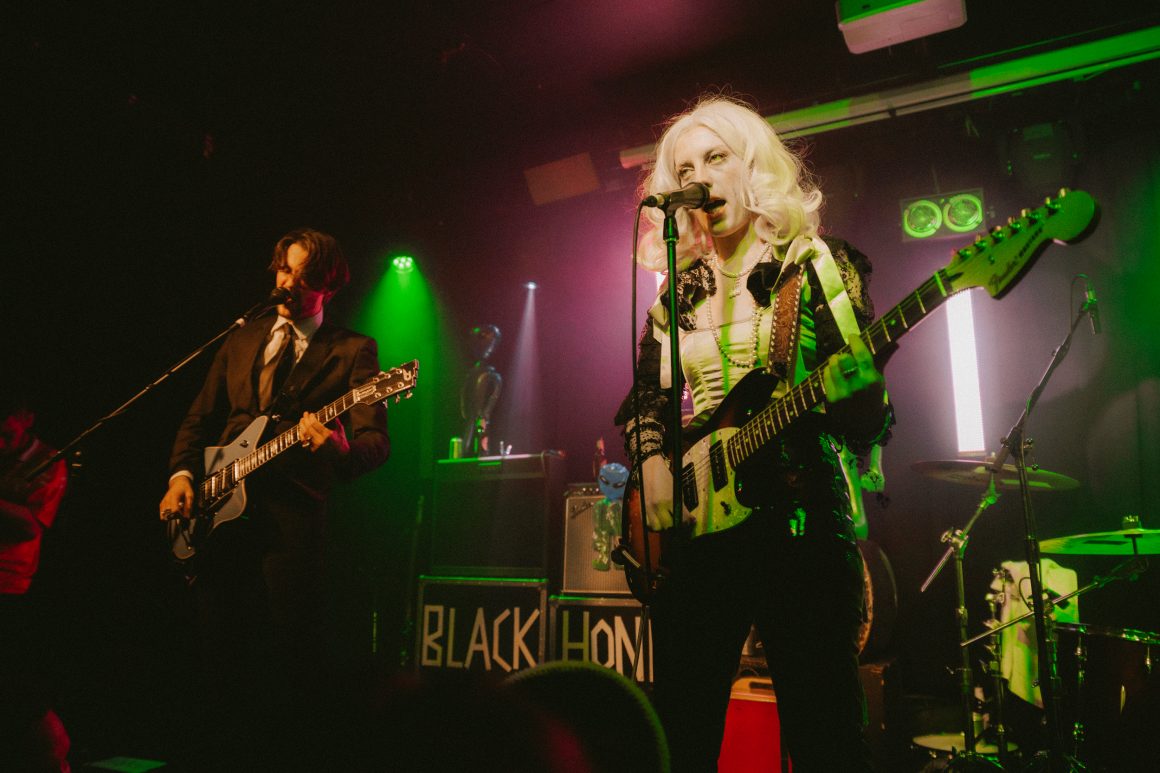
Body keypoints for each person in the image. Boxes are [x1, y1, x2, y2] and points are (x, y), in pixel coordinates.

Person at [614, 96, 893, 771]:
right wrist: (652, 460)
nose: (700, 178)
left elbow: (865, 422)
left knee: (825, 734)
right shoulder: (678, 292)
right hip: (702, 528)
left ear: (754, 166)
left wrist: (860, 392)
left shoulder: (815, 265)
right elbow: (646, 398)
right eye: (685, 169)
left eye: (716, 158)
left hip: (799, 518)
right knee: (680, 730)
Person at [157, 227, 390, 760]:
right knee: (218, 648)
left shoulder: (352, 351)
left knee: (290, 653)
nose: (287, 282)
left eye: (303, 275)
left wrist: (338, 448)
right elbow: (199, 418)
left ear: (328, 285)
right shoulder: (242, 338)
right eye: (284, 269)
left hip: (291, 518)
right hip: (217, 508)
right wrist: (182, 477)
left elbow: (375, 443)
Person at [0, 394, 70, 771]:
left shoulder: (47, 460)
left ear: (26, 416)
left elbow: (30, 525)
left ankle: (54, 759)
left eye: (4, 428)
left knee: (21, 694)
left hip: (11, 589)